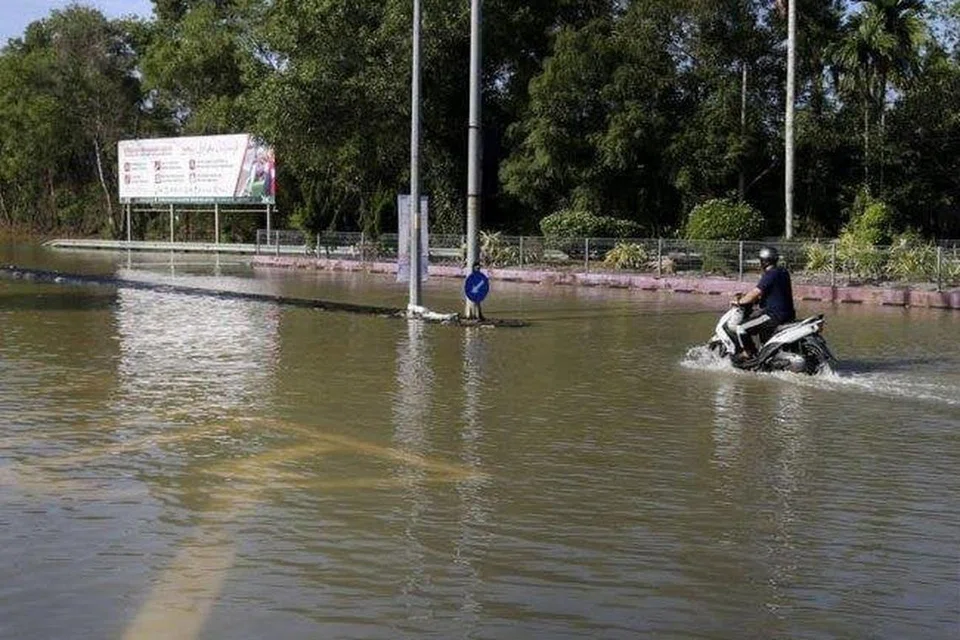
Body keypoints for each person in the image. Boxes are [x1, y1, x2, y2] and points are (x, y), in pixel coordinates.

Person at [731, 246, 796, 358]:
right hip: (788, 314)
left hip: (774, 315)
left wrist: (740, 302)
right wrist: (749, 298)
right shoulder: (783, 272)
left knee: (741, 328)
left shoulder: (770, 274)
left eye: (761, 260)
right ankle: (765, 355)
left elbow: (755, 292)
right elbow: (772, 292)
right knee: (760, 326)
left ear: (764, 261)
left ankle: (748, 353)